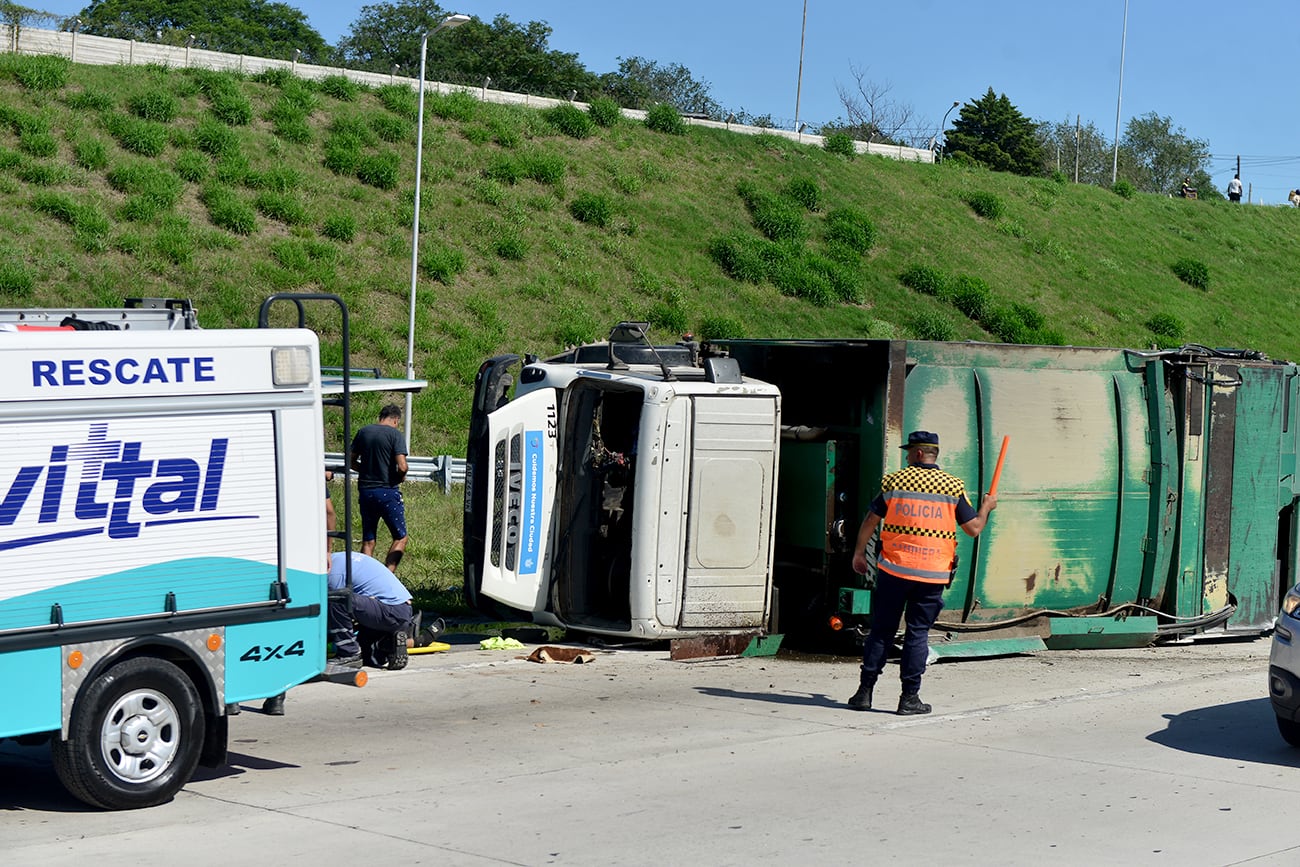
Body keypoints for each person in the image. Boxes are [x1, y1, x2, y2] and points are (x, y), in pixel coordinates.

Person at [846, 431, 997, 715]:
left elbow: (870, 519)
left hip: (894, 570)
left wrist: (858, 552)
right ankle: (909, 699)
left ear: (918, 453)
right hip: (932, 575)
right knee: (917, 634)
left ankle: (864, 693)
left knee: (881, 631)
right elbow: (974, 528)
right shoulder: (953, 487)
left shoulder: (896, 482)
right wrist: (987, 508)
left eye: (908, 452)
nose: (906, 457)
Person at [328, 550, 415, 670]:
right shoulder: (336, 560)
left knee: (338, 598)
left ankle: (348, 653)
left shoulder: (332, 574)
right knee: (367, 656)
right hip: (394, 611)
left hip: (391, 610)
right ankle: (388, 643)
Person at [351, 404, 409, 571]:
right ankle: (387, 577)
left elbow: (350, 460)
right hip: (387, 491)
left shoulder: (364, 432)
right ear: (396, 420)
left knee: (368, 540)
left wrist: (366, 470)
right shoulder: (395, 434)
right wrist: (399, 478)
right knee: (400, 537)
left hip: (366, 491)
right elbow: (402, 466)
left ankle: (363, 582)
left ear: (381, 416)